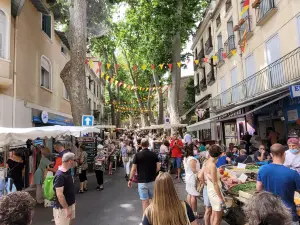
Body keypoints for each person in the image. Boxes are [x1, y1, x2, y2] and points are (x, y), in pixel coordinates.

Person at [256, 143, 300, 224]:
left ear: (271, 155)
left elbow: (259, 188)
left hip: (269, 212)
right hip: (288, 214)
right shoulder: (293, 173)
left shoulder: (262, 169)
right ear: (284, 154)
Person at [128, 138, 160, 214]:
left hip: (142, 182)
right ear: (148, 145)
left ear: (141, 145)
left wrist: (130, 179)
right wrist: (152, 172)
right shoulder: (154, 154)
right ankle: (153, 218)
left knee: (144, 202)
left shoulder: (137, 155)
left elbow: (133, 169)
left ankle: (146, 220)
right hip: (152, 180)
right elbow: (158, 167)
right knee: (152, 201)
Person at [53, 152, 76, 225]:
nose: (75, 162)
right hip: (62, 208)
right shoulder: (60, 176)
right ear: (70, 161)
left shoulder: (66, 172)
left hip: (69, 204)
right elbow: (59, 195)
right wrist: (66, 208)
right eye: (74, 160)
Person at [205, 144, 225, 225]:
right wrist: (221, 199)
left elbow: (208, 175)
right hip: (215, 193)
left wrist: (218, 174)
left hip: (210, 190)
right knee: (217, 219)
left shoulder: (208, 160)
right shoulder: (212, 165)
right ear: (219, 154)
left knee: (214, 214)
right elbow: (215, 184)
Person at [183, 145, 200, 217]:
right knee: (193, 195)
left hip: (188, 177)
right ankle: (194, 212)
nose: (196, 150)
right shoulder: (192, 159)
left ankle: (190, 211)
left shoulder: (185, 158)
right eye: (195, 149)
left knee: (189, 193)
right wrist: (201, 172)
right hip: (192, 178)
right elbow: (194, 170)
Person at [198, 158, 212, 225]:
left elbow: (200, 176)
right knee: (208, 209)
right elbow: (200, 176)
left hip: (206, 188)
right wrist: (204, 183)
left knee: (207, 208)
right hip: (208, 188)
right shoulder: (207, 166)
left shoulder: (204, 167)